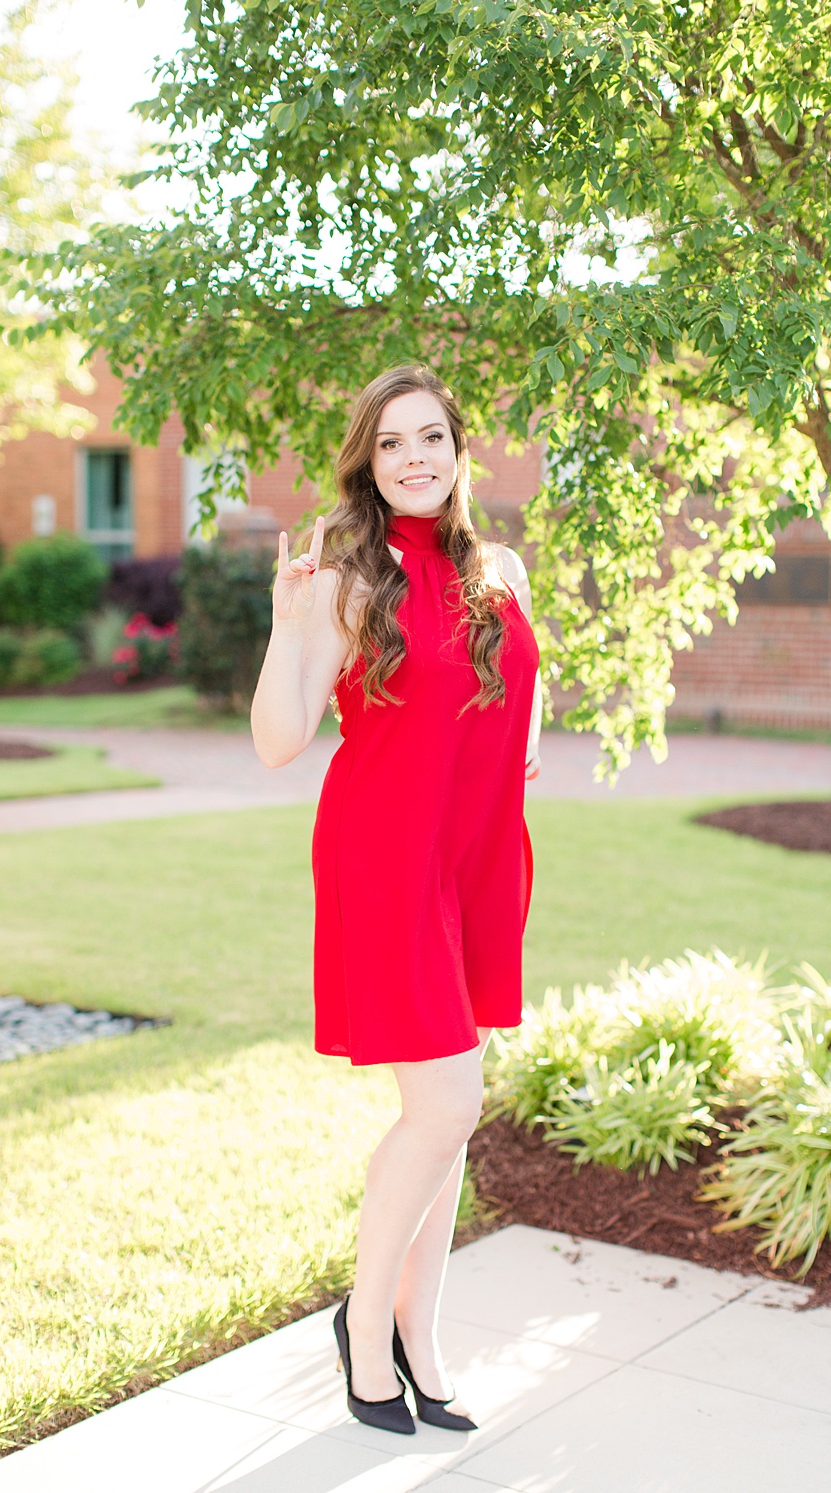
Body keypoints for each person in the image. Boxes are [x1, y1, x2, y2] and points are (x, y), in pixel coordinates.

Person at [249, 364, 540, 1436]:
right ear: (366, 462)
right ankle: (365, 1325)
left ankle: (420, 1330)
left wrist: (515, 761)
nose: (412, 457)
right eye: (389, 443)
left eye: (429, 437)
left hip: (474, 865)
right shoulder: (345, 573)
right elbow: (279, 740)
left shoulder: (497, 567)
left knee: (442, 1117)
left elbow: (519, 697)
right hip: (385, 861)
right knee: (446, 1103)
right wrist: (287, 623)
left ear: (459, 449)